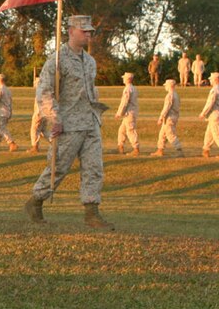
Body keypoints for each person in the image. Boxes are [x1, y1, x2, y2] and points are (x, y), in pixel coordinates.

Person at [23, 15, 112, 229]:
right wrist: (54, 118)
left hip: (90, 121)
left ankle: (91, 212)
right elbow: (44, 92)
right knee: (58, 167)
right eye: (84, 31)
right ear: (71, 31)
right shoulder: (57, 60)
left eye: (90, 31)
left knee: (94, 168)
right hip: (68, 124)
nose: (88, 35)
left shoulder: (90, 61)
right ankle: (36, 200)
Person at [151, 79, 184, 157]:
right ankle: (160, 150)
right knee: (162, 134)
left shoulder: (170, 95)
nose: (165, 87)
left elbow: (166, 108)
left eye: (166, 85)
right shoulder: (176, 94)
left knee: (170, 134)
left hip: (169, 117)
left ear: (169, 86)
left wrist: (161, 117)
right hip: (173, 117)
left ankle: (179, 150)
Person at [115, 71, 140, 156]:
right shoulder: (133, 88)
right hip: (130, 112)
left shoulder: (128, 89)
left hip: (129, 113)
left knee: (130, 130)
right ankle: (120, 146)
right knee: (122, 130)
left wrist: (119, 113)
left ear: (127, 79)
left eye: (124, 78)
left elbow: (125, 102)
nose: (123, 80)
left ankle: (136, 148)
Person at [29, 75, 50, 153]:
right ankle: (55, 143)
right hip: (46, 114)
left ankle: (35, 146)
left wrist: (37, 115)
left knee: (34, 129)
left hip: (39, 113)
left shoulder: (40, 93)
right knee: (43, 130)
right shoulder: (47, 92)